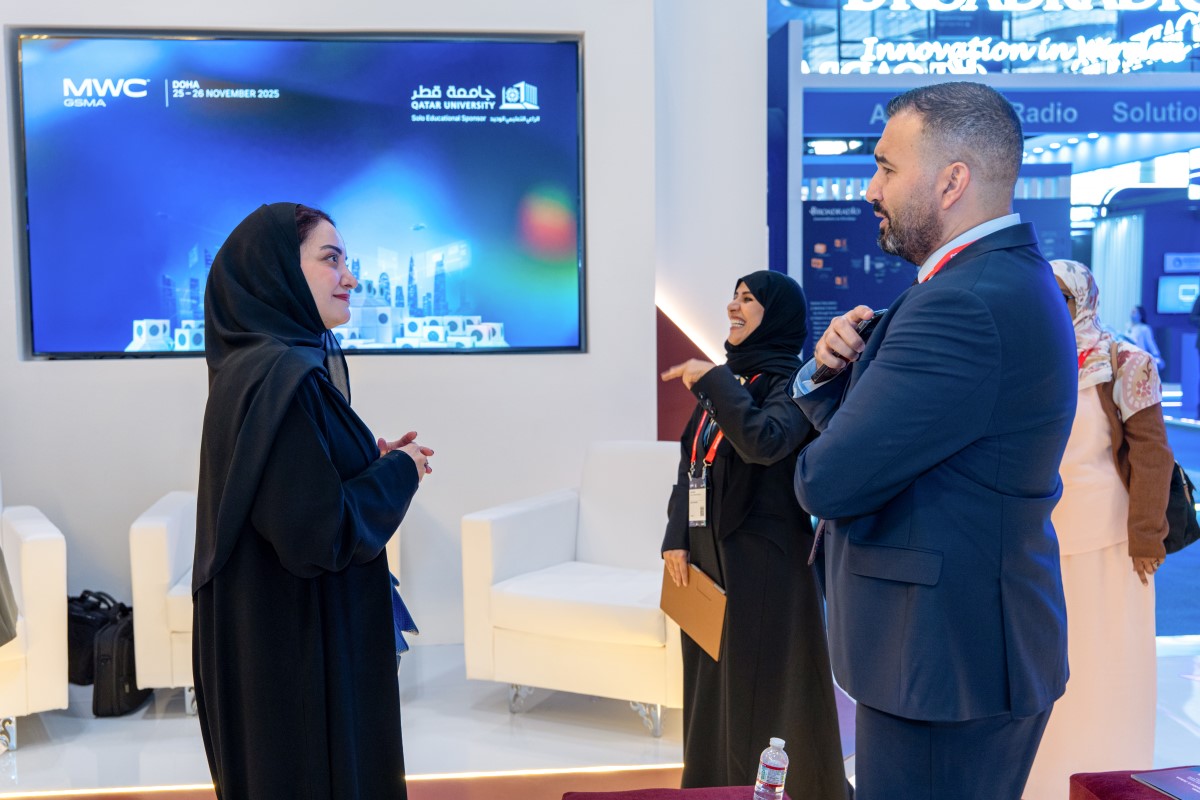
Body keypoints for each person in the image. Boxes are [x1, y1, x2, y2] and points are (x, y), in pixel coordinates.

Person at [789, 82, 1076, 800]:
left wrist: (837, 404)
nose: (870, 189)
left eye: (886, 167)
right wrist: (831, 378)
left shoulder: (962, 303)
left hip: (945, 665)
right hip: (956, 653)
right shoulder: (992, 282)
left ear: (952, 181)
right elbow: (904, 443)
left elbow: (828, 480)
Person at [193, 203, 432, 799]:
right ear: (277, 271)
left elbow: (294, 486)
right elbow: (317, 534)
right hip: (299, 659)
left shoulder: (256, 371)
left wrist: (366, 460)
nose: (350, 277)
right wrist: (400, 471)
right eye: (331, 259)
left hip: (275, 644)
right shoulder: (283, 378)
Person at [660, 270, 849, 800]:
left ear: (778, 315)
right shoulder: (730, 380)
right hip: (706, 563)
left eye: (748, 300)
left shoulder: (797, 384)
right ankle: (710, 789)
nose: (733, 307)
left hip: (764, 568)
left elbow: (764, 442)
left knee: (760, 694)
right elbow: (691, 462)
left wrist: (713, 382)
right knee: (710, 694)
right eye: (734, 297)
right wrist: (676, 535)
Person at [1023, 260, 1171, 798]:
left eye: (1062, 297)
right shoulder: (1028, 359)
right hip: (1038, 541)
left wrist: (1147, 536)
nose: (1051, 306)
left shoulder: (1125, 362)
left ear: (1082, 300)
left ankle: (1109, 777)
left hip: (1109, 544)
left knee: (1105, 666)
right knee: (1048, 670)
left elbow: (1152, 455)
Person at [1124, 305, 1164, 370]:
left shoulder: (1145, 328)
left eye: (1134, 312)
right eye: (1131, 312)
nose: (1131, 314)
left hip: (1139, 358)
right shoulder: (1128, 327)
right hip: (1128, 358)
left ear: (1140, 315)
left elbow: (1150, 343)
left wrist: (1157, 356)